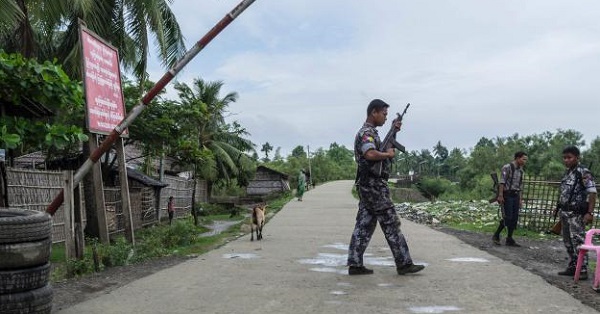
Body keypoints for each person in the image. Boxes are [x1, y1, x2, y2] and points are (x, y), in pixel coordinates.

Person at [346, 99, 424, 276]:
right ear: (374, 112)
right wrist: (387, 154)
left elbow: (382, 147)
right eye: (384, 114)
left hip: (369, 186)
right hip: (374, 186)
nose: (384, 117)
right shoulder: (366, 133)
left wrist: (393, 132)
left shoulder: (372, 133)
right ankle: (404, 263)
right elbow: (370, 153)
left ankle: (355, 264)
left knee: (364, 225)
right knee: (391, 222)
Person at [555, 146, 597, 280]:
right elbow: (564, 192)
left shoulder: (583, 172)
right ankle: (574, 265)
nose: (566, 160)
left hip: (576, 213)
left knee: (578, 241)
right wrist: (558, 207)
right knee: (567, 241)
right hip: (565, 211)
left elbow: (592, 192)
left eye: (569, 157)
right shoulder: (568, 172)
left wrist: (589, 212)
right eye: (564, 157)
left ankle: (582, 269)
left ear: (577, 158)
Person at [492, 151, 528, 247]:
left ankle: (509, 238)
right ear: (517, 158)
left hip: (515, 195)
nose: (525, 161)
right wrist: (500, 195)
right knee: (507, 217)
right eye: (523, 159)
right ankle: (496, 235)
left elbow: (520, 186)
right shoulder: (507, 167)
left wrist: (520, 199)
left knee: (514, 218)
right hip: (507, 195)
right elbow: (502, 182)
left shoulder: (520, 171)